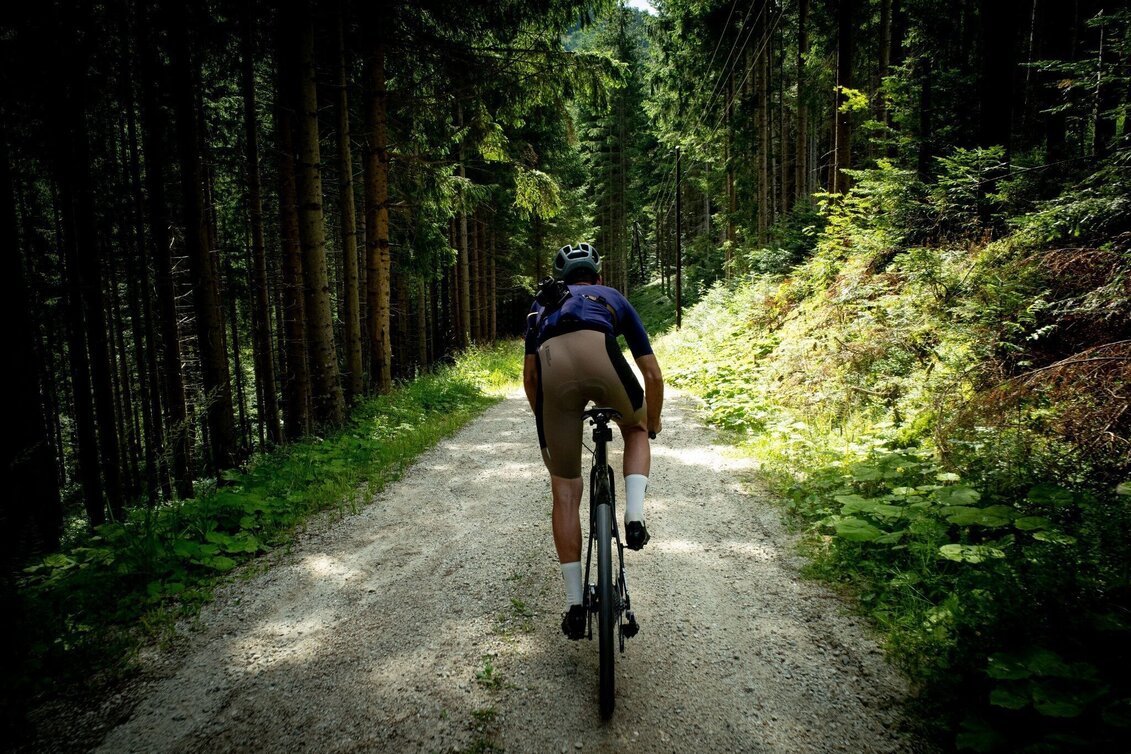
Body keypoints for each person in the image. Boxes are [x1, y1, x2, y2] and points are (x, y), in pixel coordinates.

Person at [523, 242, 664, 640]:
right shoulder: (611, 296)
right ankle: (634, 519)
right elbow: (651, 374)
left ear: (562, 278)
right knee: (634, 430)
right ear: (597, 277)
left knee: (565, 490)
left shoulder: (541, 305)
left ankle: (573, 604)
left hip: (553, 367)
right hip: (601, 355)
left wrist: (550, 422)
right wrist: (650, 423)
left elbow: (531, 380)